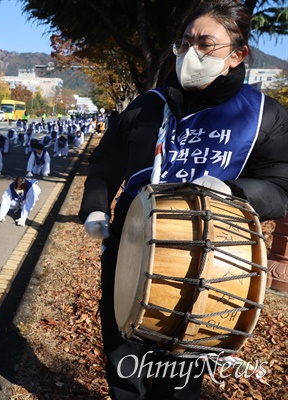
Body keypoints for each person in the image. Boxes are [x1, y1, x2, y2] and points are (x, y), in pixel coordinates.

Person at [78, 2, 288, 399]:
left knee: (179, 379)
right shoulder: (147, 106)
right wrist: (94, 206)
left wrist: (236, 191)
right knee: (123, 361)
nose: (191, 53)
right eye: (185, 42)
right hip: (129, 248)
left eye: (206, 44)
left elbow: (282, 185)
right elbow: (106, 161)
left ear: (236, 55)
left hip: (214, 265)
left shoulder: (264, 115)